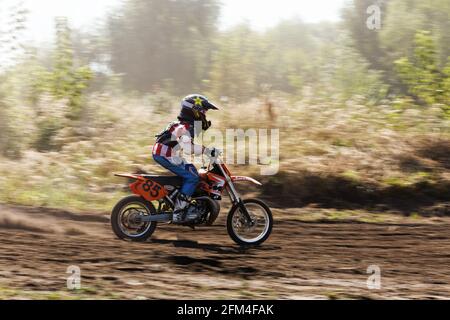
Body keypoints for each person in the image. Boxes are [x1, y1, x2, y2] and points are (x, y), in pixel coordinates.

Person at [152, 94, 218, 222]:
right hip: (165, 154)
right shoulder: (187, 126)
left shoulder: (183, 124)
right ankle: (178, 211)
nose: (205, 114)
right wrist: (207, 151)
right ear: (195, 110)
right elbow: (188, 148)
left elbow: (186, 147)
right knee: (192, 177)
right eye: (204, 111)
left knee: (192, 170)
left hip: (167, 153)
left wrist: (204, 152)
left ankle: (177, 200)